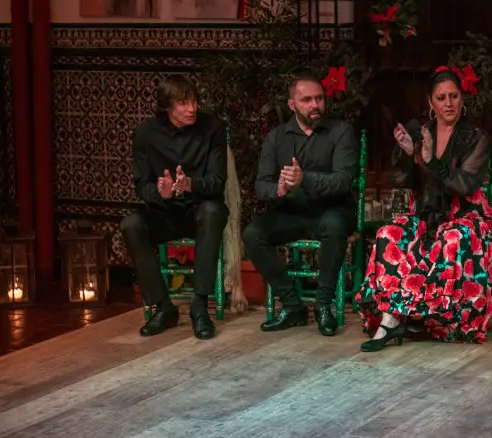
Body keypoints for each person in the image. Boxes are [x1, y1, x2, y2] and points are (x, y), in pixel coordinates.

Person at [355, 66, 492, 352]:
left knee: (452, 237)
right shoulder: (420, 130)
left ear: (462, 99)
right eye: (441, 98)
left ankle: (432, 317)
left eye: (454, 96)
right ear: (431, 103)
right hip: (427, 214)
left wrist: (430, 160)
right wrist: (410, 155)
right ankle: (391, 318)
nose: (448, 103)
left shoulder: (475, 136)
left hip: (466, 217)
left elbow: (464, 185)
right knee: (389, 234)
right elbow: (401, 180)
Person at [243, 73, 359, 337]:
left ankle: (322, 305)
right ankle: (293, 305)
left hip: (331, 210)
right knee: (253, 233)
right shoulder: (276, 138)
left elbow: (342, 180)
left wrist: (304, 178)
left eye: (319, 98)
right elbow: (261, 185)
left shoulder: (340, 132)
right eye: (306, 100)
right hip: (291, 212)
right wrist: (279, 189)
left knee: (333, 224)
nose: (315, 105)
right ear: (292, 104)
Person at [121, 74, 228, 340]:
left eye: (193, 101)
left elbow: (217, 182)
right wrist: (161, 193)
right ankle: (163, 307)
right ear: (167, 106)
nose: (191, 108)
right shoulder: (146, 133)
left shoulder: (212, 127)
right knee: (131, 225)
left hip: (199, 209)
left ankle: (200, 307)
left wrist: (190, 184)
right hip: (165, 212)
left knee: (212, 211)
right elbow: (141, 184)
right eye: (182, 103)